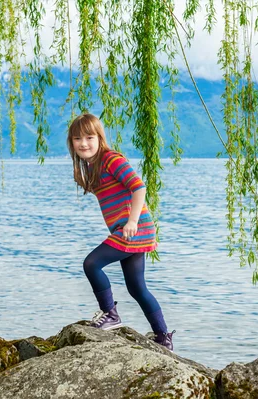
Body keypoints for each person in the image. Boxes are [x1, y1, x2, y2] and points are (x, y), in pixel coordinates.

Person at [67, 112, 175, 351]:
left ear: (100, 138)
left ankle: (110, 314)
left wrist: (132, 221)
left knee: (91, 264)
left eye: (89, 137)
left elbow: (138, 187)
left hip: (132, 230)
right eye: (77, 139)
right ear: (71, 143)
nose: (83, 143)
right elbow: (108, 193)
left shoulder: (111, 159)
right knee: (137, 287)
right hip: (132, 231)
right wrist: (85, 184)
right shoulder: (93, 165)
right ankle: (163, 337)